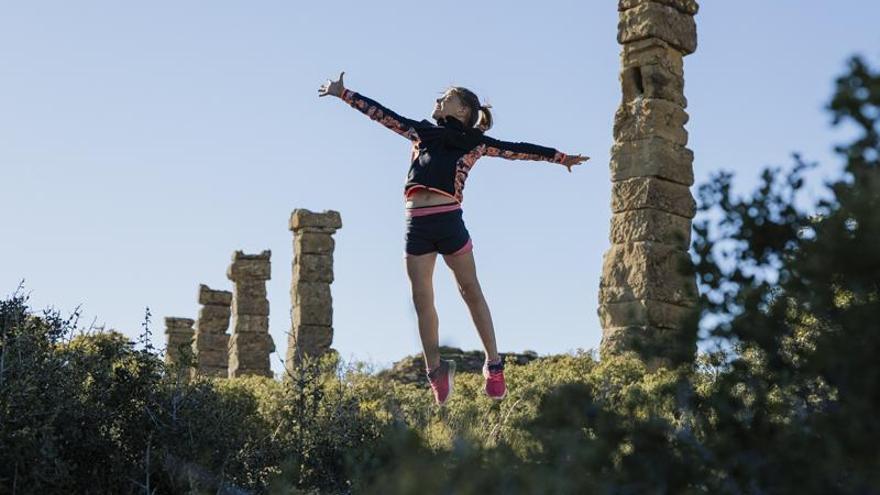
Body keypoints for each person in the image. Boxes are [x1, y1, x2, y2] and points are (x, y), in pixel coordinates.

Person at [318, 71, 589, 406]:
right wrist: (345, 94)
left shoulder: (474, 143)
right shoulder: (422, 132)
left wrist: (559, 157)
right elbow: (384, 116)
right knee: (421, 299)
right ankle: (436, 372)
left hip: (448, 220)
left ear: (462, 110)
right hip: (415, 224)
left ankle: (494, 364)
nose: (436, 101)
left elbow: (516, 149)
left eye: (444, 98)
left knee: (469, 289)